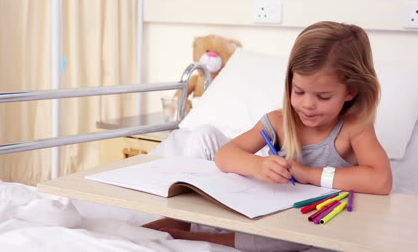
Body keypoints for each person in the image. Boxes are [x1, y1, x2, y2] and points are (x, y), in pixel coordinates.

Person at [144, 21, 393, 252]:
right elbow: (225, 154)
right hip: (266, 203)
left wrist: (308, 174)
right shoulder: (278, 121)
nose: (307, 105)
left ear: (350, 91)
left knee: (291, 236)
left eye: (323, 97)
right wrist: (257, 165)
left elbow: (381, 180)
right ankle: (181, 217)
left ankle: (206, 238)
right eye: (299, 91)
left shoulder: (354, 128)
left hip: (305, 218)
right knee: (204, 136)